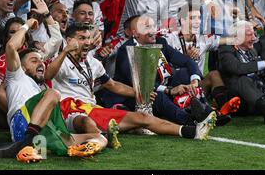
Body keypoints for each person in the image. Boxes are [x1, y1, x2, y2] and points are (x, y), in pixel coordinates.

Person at [46, 22, 216, 140]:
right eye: (81, 38)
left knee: (142, 117)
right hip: (70, 110)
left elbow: (113, 85)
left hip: (93, 109)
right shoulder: (61, 60)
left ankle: (192, 132)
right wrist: (63, 52)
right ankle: (98, 137)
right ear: (69, 41)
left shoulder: (94, 63)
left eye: (88, 38)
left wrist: (140, 93)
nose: (87, 42)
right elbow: (48, 76)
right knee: (86, 122)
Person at [5, 18, 109, 157]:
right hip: (23, 123)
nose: (41, 64)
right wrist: (28, 24)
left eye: (41, 60)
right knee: (53, 93)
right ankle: (27, 141)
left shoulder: (40, 88)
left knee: (99, 137)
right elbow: (11, 46)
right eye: (34, 61)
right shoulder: (16, 76)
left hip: (44, 130)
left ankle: (78, 150)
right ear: (22, 68)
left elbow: (56, 41)